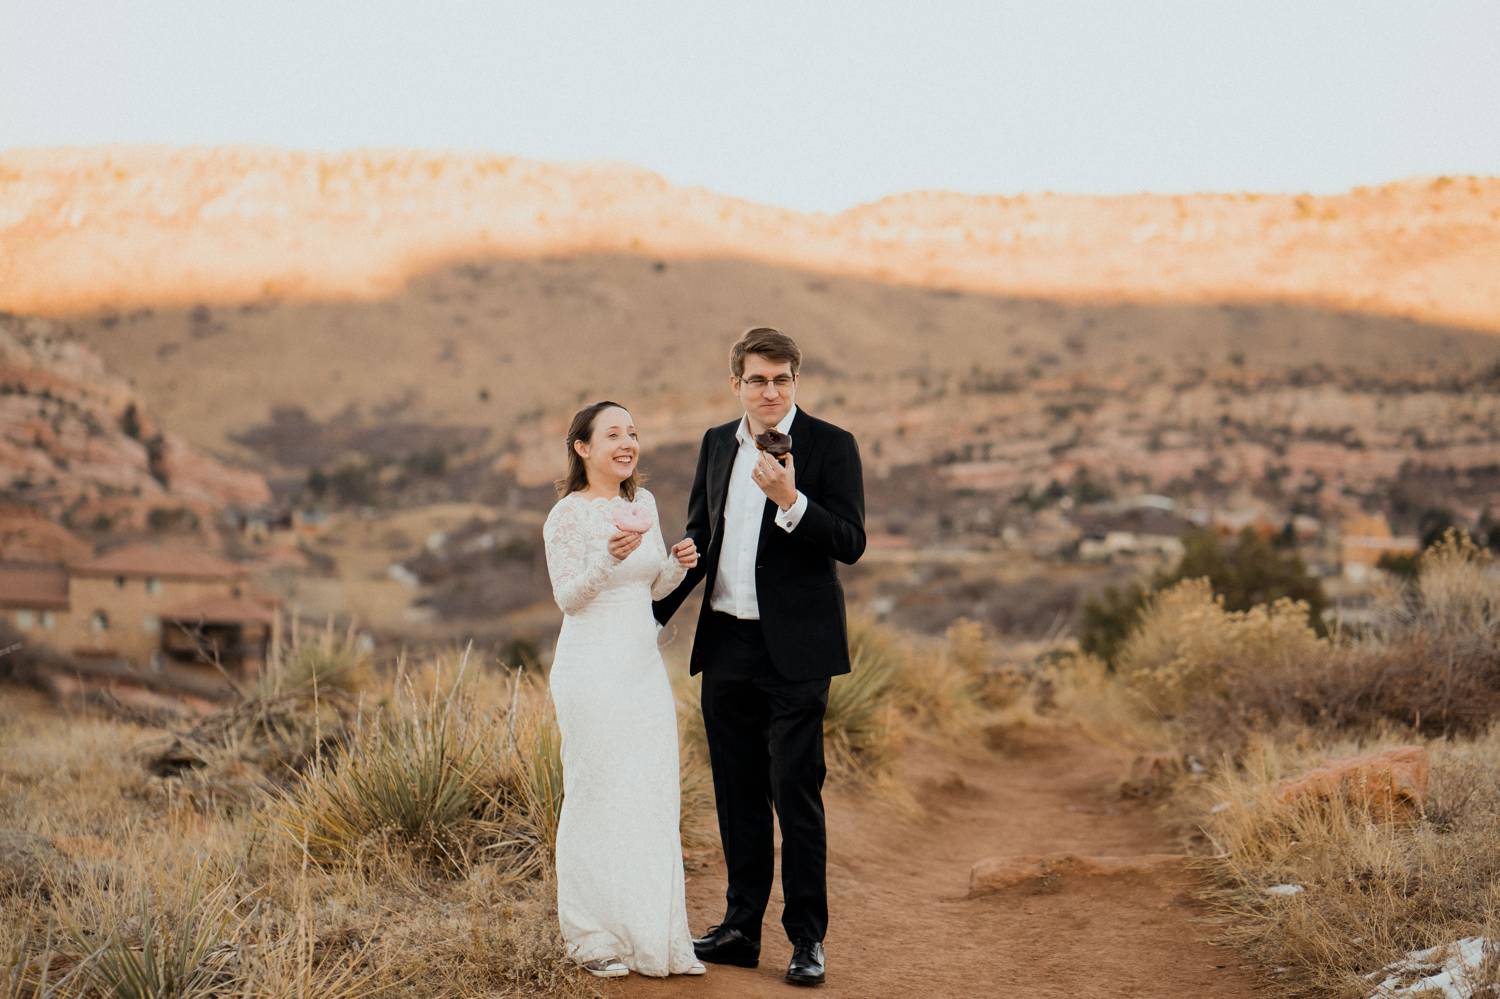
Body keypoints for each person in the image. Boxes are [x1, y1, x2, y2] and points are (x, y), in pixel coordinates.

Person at [653, 328, 866, 987]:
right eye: (757, 380)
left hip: (798, 652)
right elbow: (700, 533)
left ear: (796, 381)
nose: (769, 391)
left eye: (781, 379)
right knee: (737, 793)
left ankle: (807, 939)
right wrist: (654, 610)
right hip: (727, 644)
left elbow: (852, 541)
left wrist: (791, 502)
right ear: (736, 385)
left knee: (794, 793)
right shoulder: (717, 444)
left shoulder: (833, 445)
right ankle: (741, 928)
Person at [541, 400, 707, 979]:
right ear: (583, 448)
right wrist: (607, 561)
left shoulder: (644, 503)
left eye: (632, 432)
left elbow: (653, 583)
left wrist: (680, 563)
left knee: (648, 788)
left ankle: (649, 932)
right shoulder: (567, 515)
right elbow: (568, 598)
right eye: (612, 434)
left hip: (640, 668)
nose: (627, 442)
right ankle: (590, 934)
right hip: (590, 669)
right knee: (595, 789)